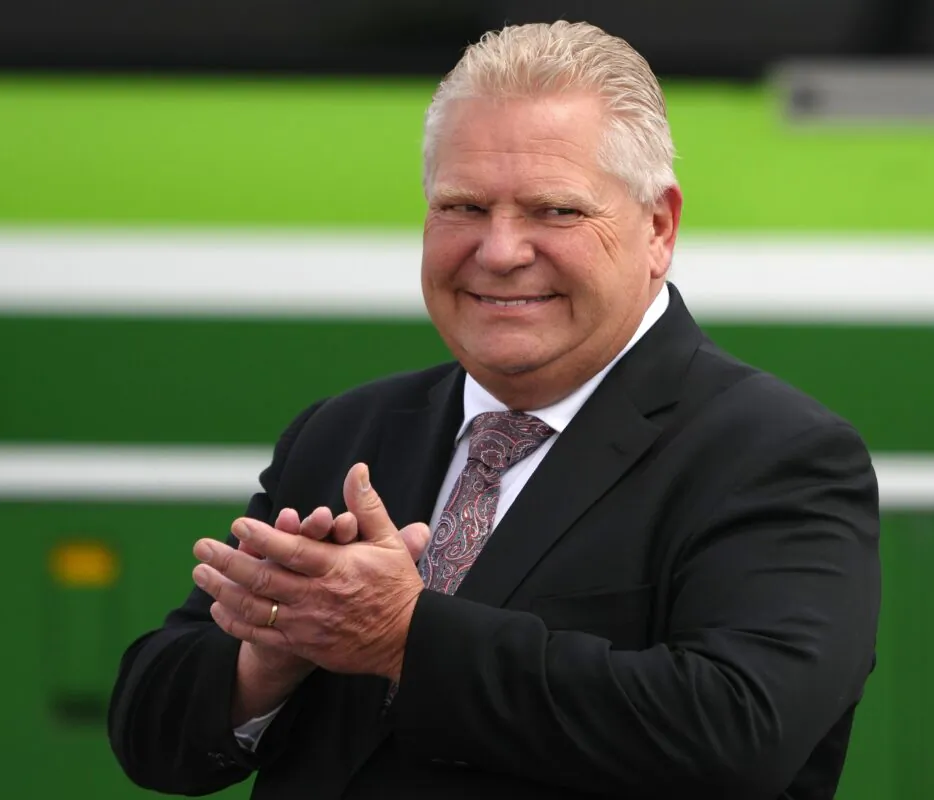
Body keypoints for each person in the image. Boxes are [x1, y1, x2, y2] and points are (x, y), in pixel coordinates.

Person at [107, 20, 880, 799]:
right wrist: (268, 656)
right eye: (464, 206)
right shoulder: (345, 431)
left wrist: (405, 638)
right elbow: (152, 738)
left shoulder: (775, 454)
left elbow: (737, 734)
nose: (501, 250)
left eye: (555, 211)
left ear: (658, 227)